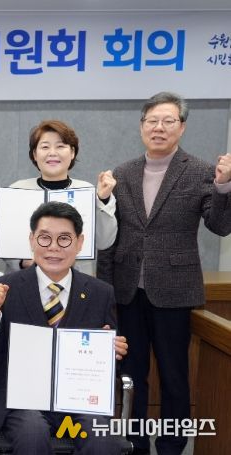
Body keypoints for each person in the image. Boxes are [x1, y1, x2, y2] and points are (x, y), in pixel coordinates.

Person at [97, 92, 231, 455]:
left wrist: (224, 186)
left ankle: (173, 446)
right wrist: (106, 292)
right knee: (130, 375)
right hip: (127, 291)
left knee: (174, 376)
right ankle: (135, 443)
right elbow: (109, 238)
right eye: (152, 121)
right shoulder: (122, 173)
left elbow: (220, 226)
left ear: (182, 127)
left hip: (174, 290)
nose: (159, 127)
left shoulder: (202, 171)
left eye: (168, 121)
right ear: (142, 126)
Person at [0, 201, 127, 455]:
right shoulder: (5, 288)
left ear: (80, 242)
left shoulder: (100, 293)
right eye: (45, 238)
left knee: (101, 440)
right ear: (32, 240)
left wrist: (112, 353)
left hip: (76, 408)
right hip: (22, 405)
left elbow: (106, 367)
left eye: (64, 239)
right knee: (33, 434)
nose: (54, 247)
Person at [0, 119, 118, 274]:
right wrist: (21, 261)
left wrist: (103, 199)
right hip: (26, 278)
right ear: (35, 154)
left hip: (77, 279)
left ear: (72, 152)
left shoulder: (87, 191)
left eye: (60, 146)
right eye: (45, 147)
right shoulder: (17, 189)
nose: (52, 153)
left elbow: (105, 241)